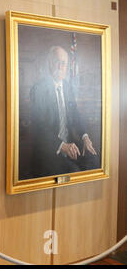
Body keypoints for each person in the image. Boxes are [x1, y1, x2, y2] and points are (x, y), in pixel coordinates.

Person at [28, 46, 99, 179]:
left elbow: (76, 115)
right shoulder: (38, 89)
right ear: (50, 63)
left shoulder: (67, 87)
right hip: (49, 150)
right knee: (74, 172)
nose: (61, 66)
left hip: (70, 145)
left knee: (95, 162)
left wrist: (85, 137)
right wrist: (62, 145)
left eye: (64, 63)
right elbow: (39, 127)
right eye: (57, 62)